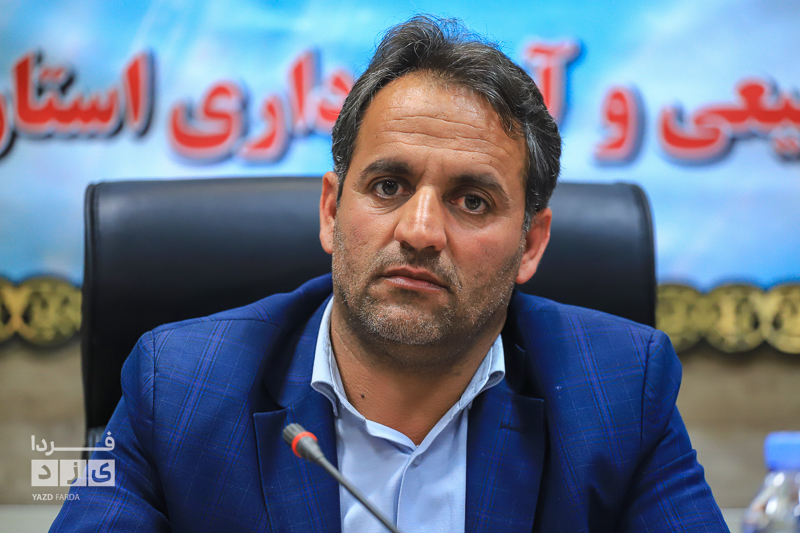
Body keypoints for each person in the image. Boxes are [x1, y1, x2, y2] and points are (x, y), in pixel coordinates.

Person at [52, 15, 729, 533]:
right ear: (331, 210)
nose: (420, 230)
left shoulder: (619, 393)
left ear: (531, 244)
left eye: (472, 201)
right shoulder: (178, 387)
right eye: (388, 186)